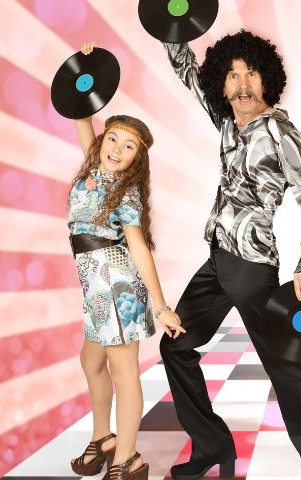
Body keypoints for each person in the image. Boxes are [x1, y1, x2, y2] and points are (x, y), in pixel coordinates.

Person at [158, 30, 301, 480]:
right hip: (218, 259)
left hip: (251, 267)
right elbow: (188, 72)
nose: (242, 84)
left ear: (267, 80)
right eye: (232, 75)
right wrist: (170, 22)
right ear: (222, 85)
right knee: (176, 345)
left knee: (285, 366)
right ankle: (213, 446)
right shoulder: (227, 121)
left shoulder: (280, 131)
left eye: (251, 74)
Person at [67, 43, 185, 480]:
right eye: (113, 138)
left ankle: (129, 457)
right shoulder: (92, 170)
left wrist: (161, 306)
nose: (117, 149)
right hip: (95, 290)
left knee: (123, 372)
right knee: (91, 362)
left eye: (129, 146)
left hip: (117, 289)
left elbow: (138, 250)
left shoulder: (125, 192)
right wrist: (85, 66)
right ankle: (104, 438)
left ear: (138, 159)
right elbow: (81, 112)